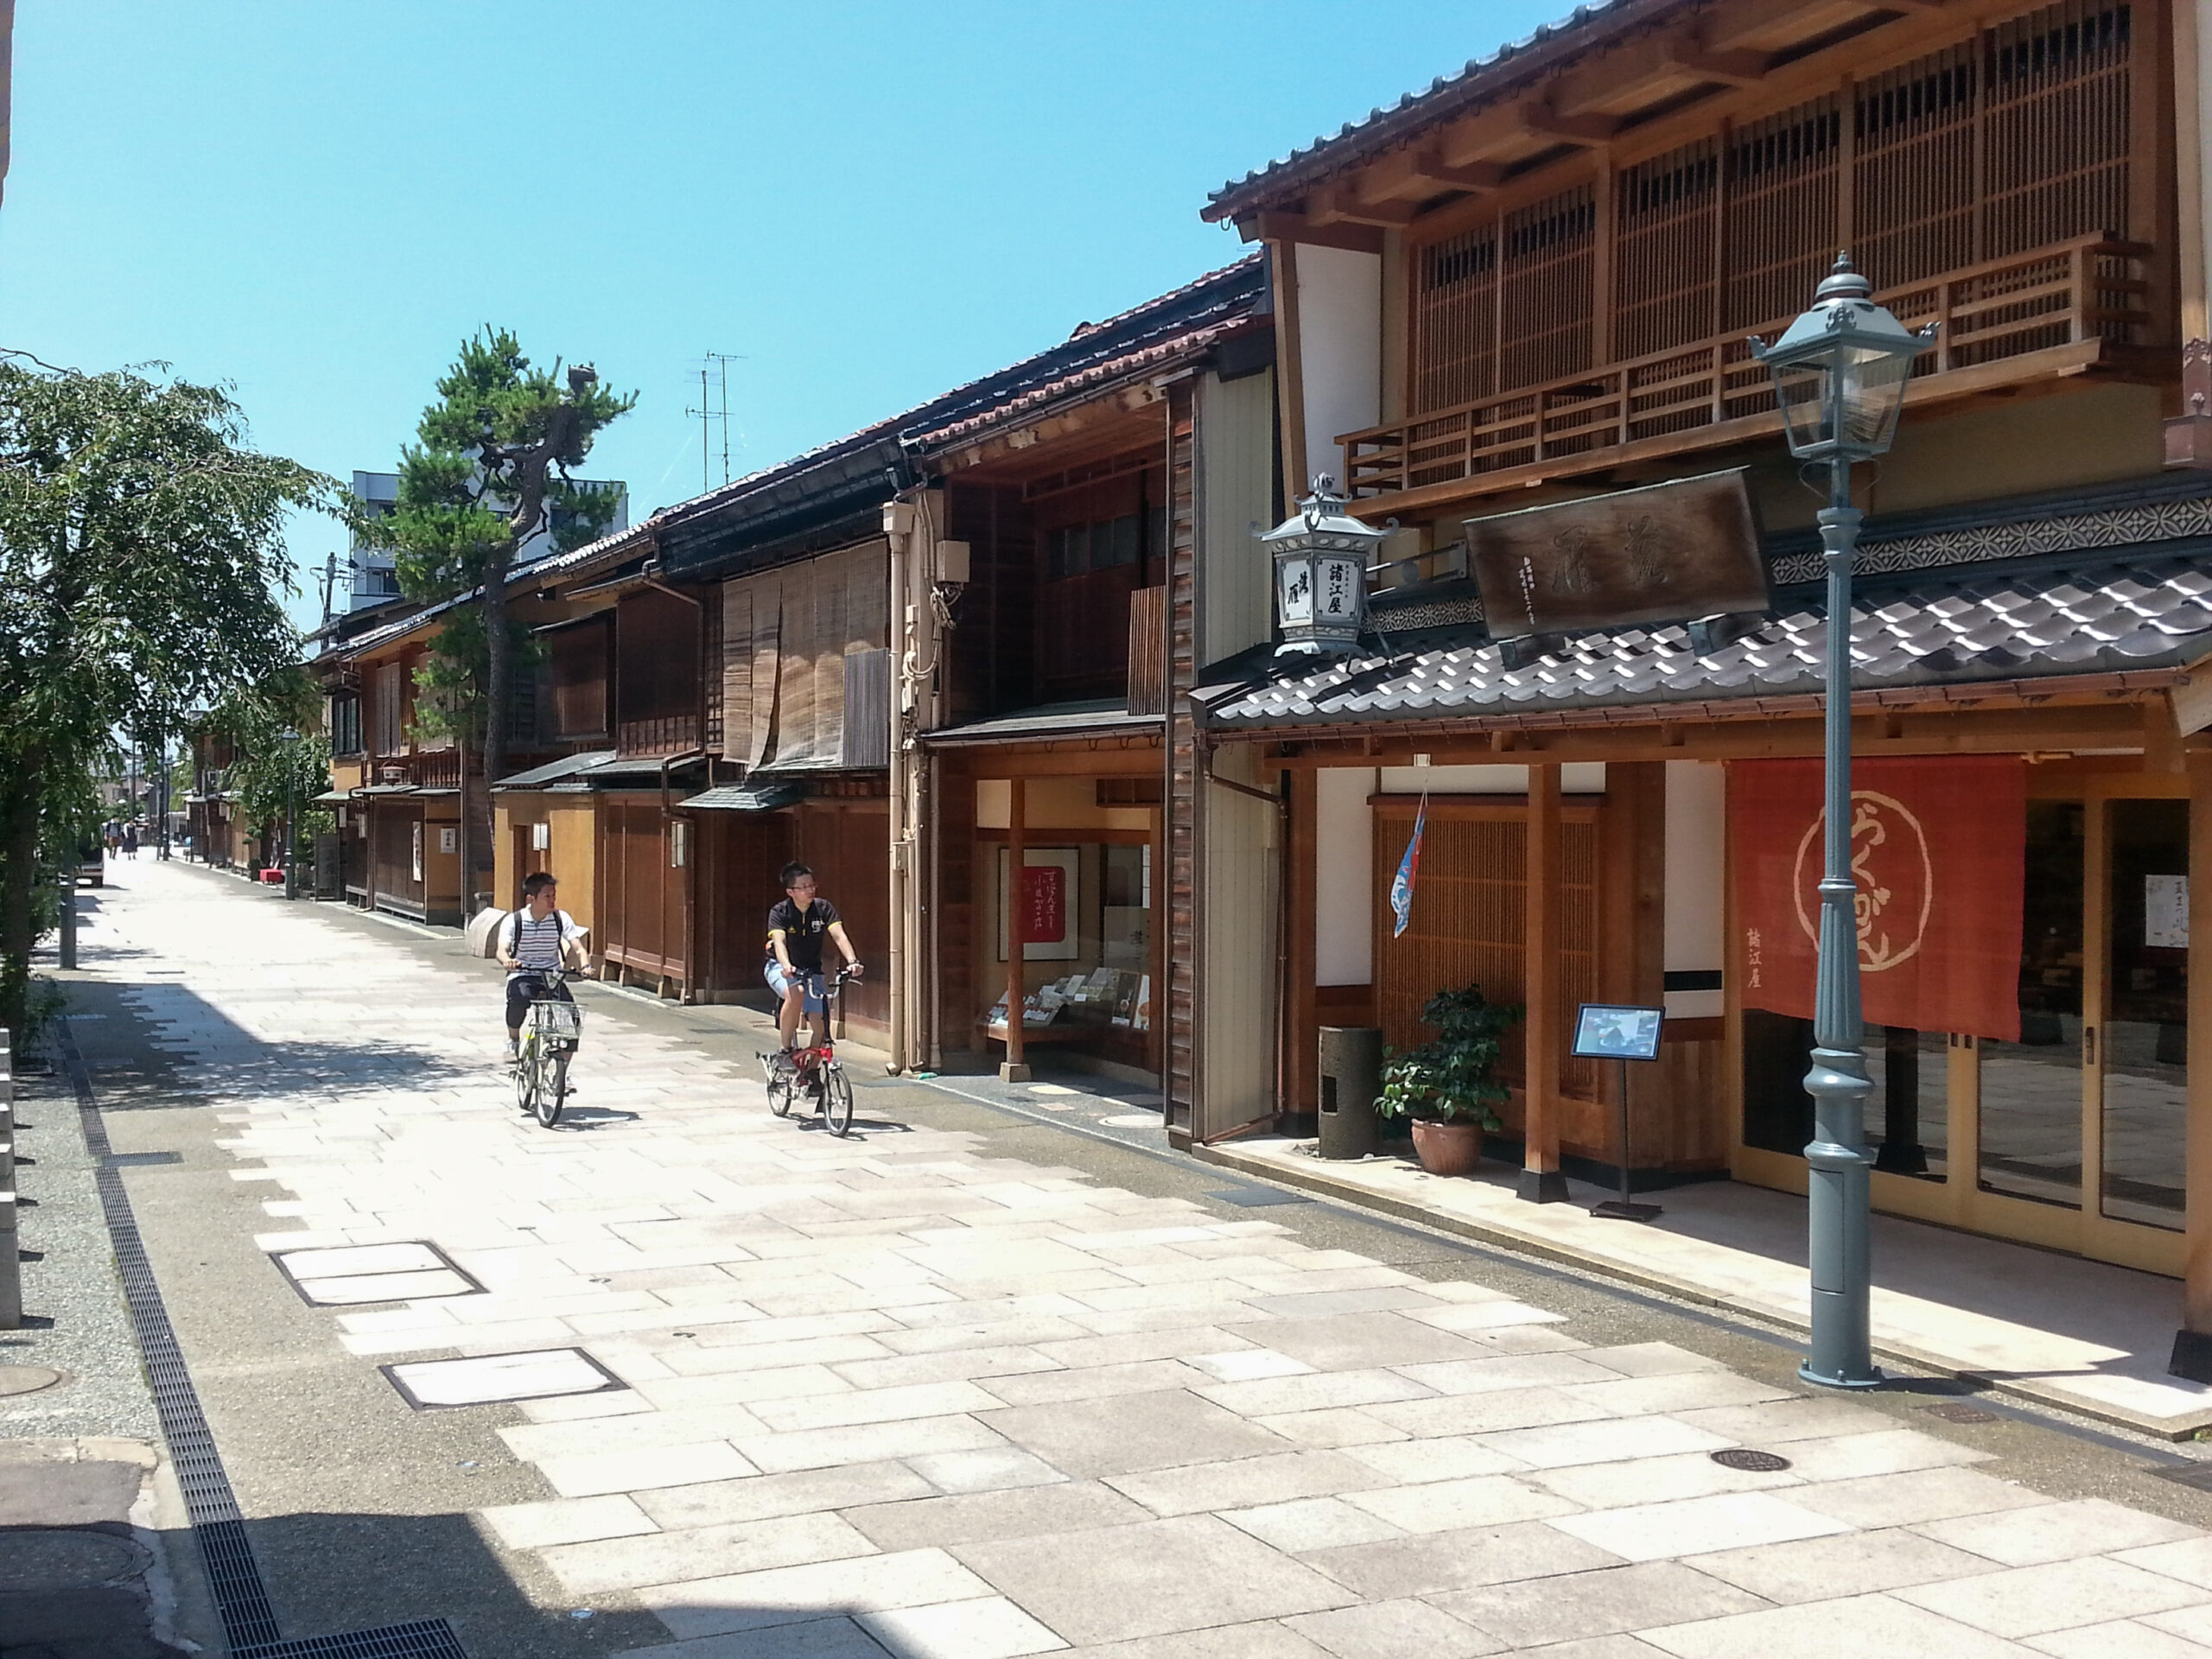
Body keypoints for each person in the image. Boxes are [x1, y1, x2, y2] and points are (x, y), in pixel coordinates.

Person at [766, 861, 862, 1060]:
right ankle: (785, 1051)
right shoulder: (780, 912)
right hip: (780, 967)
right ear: (791, 891)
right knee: (796, 993)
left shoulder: (823, 908)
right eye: (804, 887)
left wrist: (852, 961)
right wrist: (786, 966)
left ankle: (812, 1074)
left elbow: (839, 935)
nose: (810, 890)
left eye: (812, 885)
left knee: (821, 1026)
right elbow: (779, 943)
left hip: (812, 971)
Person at [497, 871, 588, 1066]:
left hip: (552, 975)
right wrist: (508, 961)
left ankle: (562, 1073)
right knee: (517, 999)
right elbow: (501, 950)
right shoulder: (514, 920)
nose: (552, 900)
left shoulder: (560, 918)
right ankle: (513, 1040)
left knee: (572, 1022)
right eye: (547, 896)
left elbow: (578, 947)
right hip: (524, 973)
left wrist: (586, 966)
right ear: (532, 898)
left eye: (554, 895)